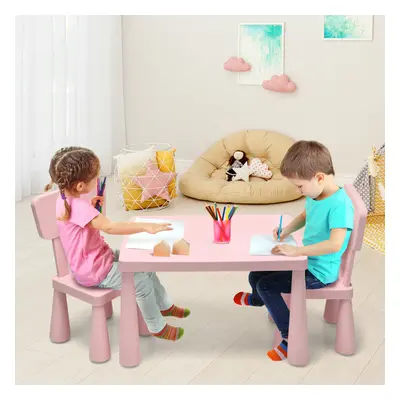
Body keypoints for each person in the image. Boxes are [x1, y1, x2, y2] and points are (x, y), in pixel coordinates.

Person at [45, 146, 190, 341]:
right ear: (80, 186)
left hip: (96, 259)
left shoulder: (64, 199)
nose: (98, 180)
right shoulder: (79, 208)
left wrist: (94, 208)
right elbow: (110, 227)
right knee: (141, 282)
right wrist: (146, 227)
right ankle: (157, 326)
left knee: (145, 265)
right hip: (94, 271)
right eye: (95, 177)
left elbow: (90, 223)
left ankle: (165, 306)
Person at [233, 140, 354, 361]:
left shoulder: (340, 205)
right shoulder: (317, 195)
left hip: (319, 273)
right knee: (255, 274)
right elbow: (305, 216)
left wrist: (297, 252)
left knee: (266, 285)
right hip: (306, 261)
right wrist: (287, 229)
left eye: (299, 186)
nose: (298, 191)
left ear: (319, 177)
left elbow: (336, 244)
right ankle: (259, 300)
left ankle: (290, 337)